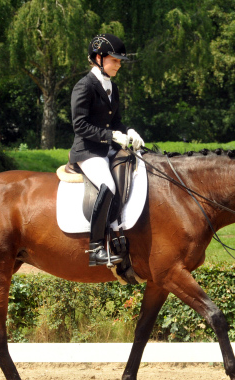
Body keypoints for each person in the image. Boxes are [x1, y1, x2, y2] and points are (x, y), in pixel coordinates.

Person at [69, 34, 145, 267]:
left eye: (120, 61)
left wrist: (129, 131)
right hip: (88, 151)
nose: (119, 65)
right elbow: (79, 125)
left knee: (139, 167)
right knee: (108, 185)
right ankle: (95, 248)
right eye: (115, 61)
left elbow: (116, 121)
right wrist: (111, 135)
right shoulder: (84, 86)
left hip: (108, 149)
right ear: (99, 58)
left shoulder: (112, 86)